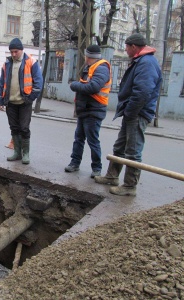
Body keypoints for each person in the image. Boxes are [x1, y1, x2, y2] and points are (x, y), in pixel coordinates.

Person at [94, 33, 162, 196]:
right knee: (120, 146)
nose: (125, 50)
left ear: (133, 47)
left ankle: (130, 186)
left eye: (126, 47)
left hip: (138, 113)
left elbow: (142, 91)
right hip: (132, 112)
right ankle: (112, 176)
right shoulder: (141, 61)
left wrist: (131, 111)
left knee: (133, 150)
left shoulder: (146, 63)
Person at [65, 45, 112, 178]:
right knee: (79, 138)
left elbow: (93, 87)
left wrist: (75, 85)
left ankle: (97, 168)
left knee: (92, 140)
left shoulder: (101, 68)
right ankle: (75, 163)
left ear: (88, 56)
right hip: (85, 109)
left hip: (94, 110)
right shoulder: (89, 67)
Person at [0, 38, 43, 164]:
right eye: (11, 52)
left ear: (21, 50)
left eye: (15, 51)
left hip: (24, 103)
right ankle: (17, 152)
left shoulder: (31, 62)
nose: (13, 54)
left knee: (24, 128)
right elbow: (2, 83)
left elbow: (38, 83)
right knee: (14, 128)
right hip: (10, 103)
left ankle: (25, 153)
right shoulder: (7, 64)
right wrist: (0, 100)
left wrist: (30, 99)